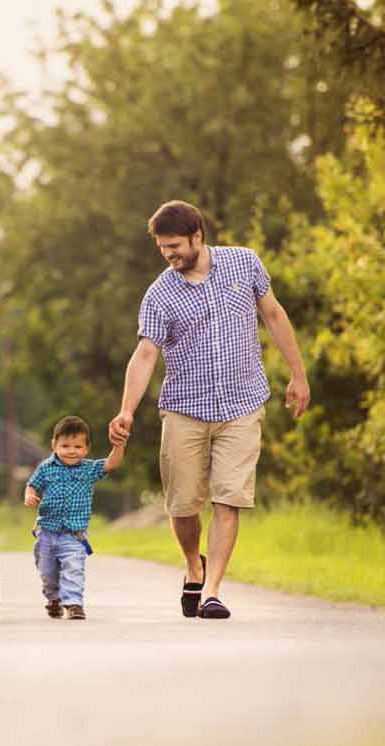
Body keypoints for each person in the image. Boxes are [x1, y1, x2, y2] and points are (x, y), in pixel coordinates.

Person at [109, 200, 310, 620]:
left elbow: (273, 314)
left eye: (175, 245)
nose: (169, 254)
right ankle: (193, 564)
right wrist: (126, 410)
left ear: (198, 236)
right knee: (182, 506)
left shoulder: (244, 264)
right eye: (163, 248)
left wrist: (298, 375)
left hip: (242, 403)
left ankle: (213, 591)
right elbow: (146, 353)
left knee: (228, 499)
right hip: (185, 409)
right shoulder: (160, 293)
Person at [24, 416, 125, 620]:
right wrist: (29, 495)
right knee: (47, 572)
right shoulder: (46, 467)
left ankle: (74, 603)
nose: (72, 451)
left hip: (74, 534)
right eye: (66, 445)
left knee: (73, 567)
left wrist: (119, 446)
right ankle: (54, 599)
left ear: (86, 449)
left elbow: (111, 464)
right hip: (47, 531)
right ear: (54, 445)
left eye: (78, 446)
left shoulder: (88, 469)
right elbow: (32, 484)